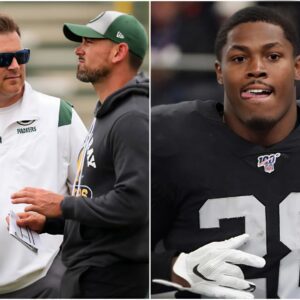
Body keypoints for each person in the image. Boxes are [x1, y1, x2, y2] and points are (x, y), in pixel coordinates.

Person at [151, 5, 300, 299]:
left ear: (296, 67)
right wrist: (174, 270)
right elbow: (112, 258)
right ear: (219, 72)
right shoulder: (167, 138)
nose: (257, 68)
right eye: (239, 58)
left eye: (273, 56)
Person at [11, 10, 149, 298]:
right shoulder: (110, 113)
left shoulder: (131, 117)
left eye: (89, 42)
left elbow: (135, 204)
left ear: (118, 52)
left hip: (114, 280)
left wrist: (63, 206)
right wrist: (53, 222)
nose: (79, 49)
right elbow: (98, 201)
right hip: (93, 275)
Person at [0, 14, 87, 298]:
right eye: (3, 60)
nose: (14, 66)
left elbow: (93, 196)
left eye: (20, 56)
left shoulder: (59, 115)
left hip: (42, 282)